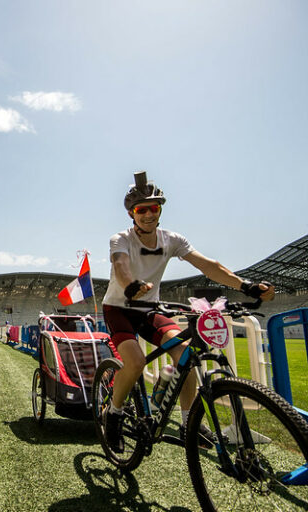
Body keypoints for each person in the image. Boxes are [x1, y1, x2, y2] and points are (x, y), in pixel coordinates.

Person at [102, 171, 275, 452]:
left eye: (153, 208)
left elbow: (209, 266)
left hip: (149, 308)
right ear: (132, 214)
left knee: (186, 354)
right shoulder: (120, 239)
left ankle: (187, 424)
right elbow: (121, 266)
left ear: (160, 211)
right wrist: (131, 285)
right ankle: (114, 414)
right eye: (141, 210)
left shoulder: (171, 239)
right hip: (119, 307)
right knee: (135, 363)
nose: (147, 214)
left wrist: (247, 286)